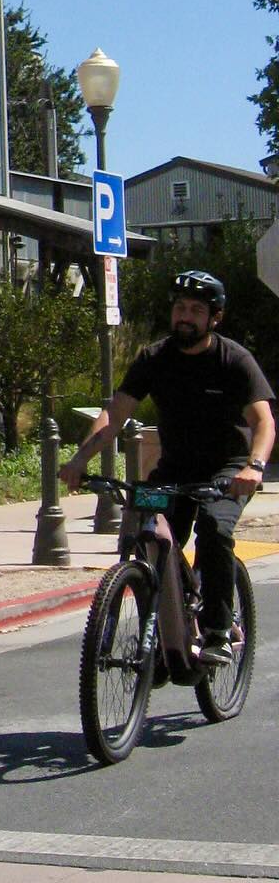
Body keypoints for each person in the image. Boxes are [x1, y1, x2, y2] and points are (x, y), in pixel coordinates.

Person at [59, 270, 274, 663]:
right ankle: (161, 632)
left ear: (215, 318)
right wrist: (79, 459)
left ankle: (217, 630)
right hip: (175, 468)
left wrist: (254, 468)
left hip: (227, 470)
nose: (185, 316)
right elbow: (116, 413)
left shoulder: (233, 360)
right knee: (150, 533)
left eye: (195, 309)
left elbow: (264, 421)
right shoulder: (154, 358)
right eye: (179, 308)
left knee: (212, 529)